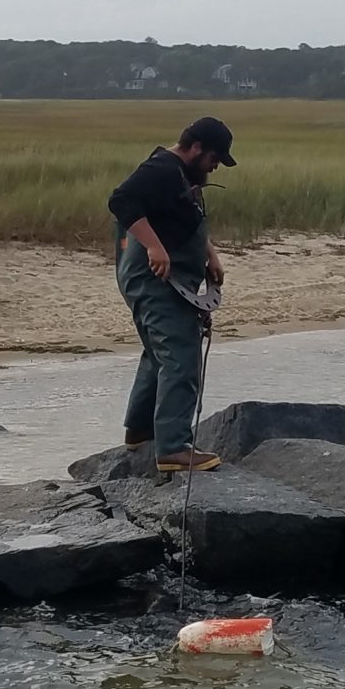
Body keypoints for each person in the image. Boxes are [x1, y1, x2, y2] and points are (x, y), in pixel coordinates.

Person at [107, 116, 235, 472]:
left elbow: (182, 217)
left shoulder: (180, 175)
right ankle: (173, 448)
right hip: (155, 279)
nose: (214, 166)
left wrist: (208, 254)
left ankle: (140, 430)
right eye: (214, 158)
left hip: (170, 279)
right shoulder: (162, 169)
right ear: (195, 148)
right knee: (180, 354)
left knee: (158, 352)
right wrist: (154, 248)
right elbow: (121, 201)